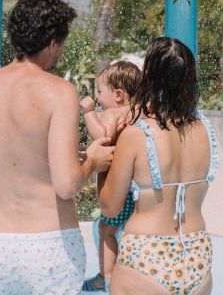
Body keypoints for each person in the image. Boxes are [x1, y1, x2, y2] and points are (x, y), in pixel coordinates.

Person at [0, 0, 115, 295]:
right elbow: (67, 185)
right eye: (61, 44)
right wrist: (92, 162)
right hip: (48, 244)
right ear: (51, 43)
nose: (60, 52)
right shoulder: (58, 92)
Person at [100, 37, 219, 295]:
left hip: (146, 255)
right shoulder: (206, 130)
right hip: (196, 253)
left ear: (149, 78)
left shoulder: (137, 134)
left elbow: (110, 207)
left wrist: (103, 158)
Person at [79, 61, 141, 292]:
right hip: (134, 187)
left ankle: (107, 277)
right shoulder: (138, 111)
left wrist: (88, 112)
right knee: (126, 230)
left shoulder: (111, 112)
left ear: (118, 94)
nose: (96, 97)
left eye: (99, 91)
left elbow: (102, 136)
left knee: (105, 229)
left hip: (116, 190)